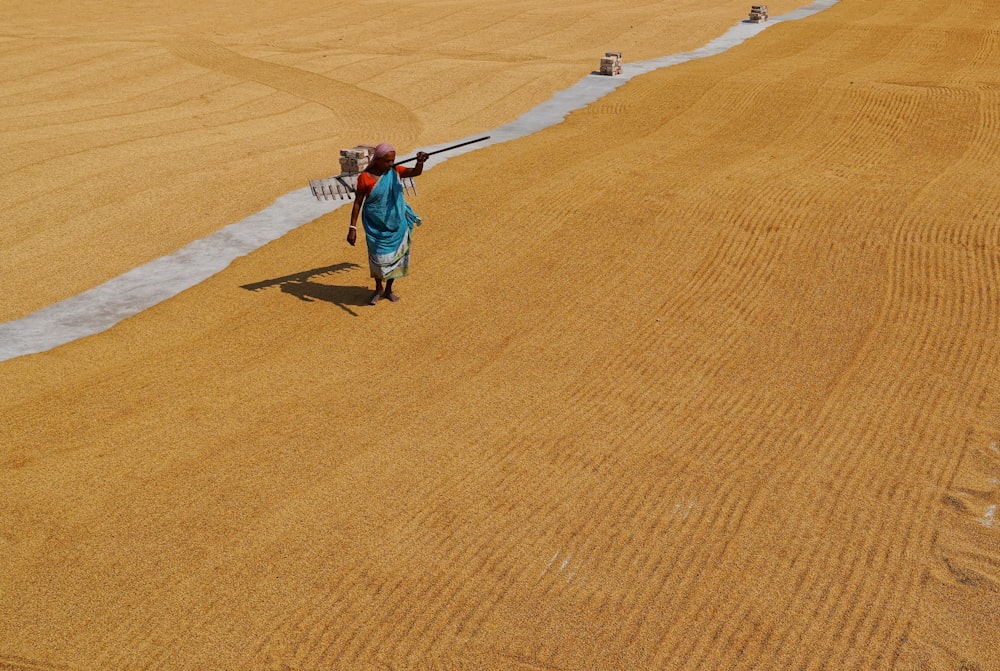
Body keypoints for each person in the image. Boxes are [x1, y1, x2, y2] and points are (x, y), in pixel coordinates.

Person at [347, 143, 429, 305]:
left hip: (397, 224)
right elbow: (357, 203)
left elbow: (415, 172)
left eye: (392, 161)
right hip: (375, 226)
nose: (391, 164)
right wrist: (352, 228)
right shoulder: (365, 178)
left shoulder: (395, 171)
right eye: (387, 161)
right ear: (377, 160)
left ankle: (389, 289)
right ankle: (378, 288)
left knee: (396, 258)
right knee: (378, 258)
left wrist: (420, 162)